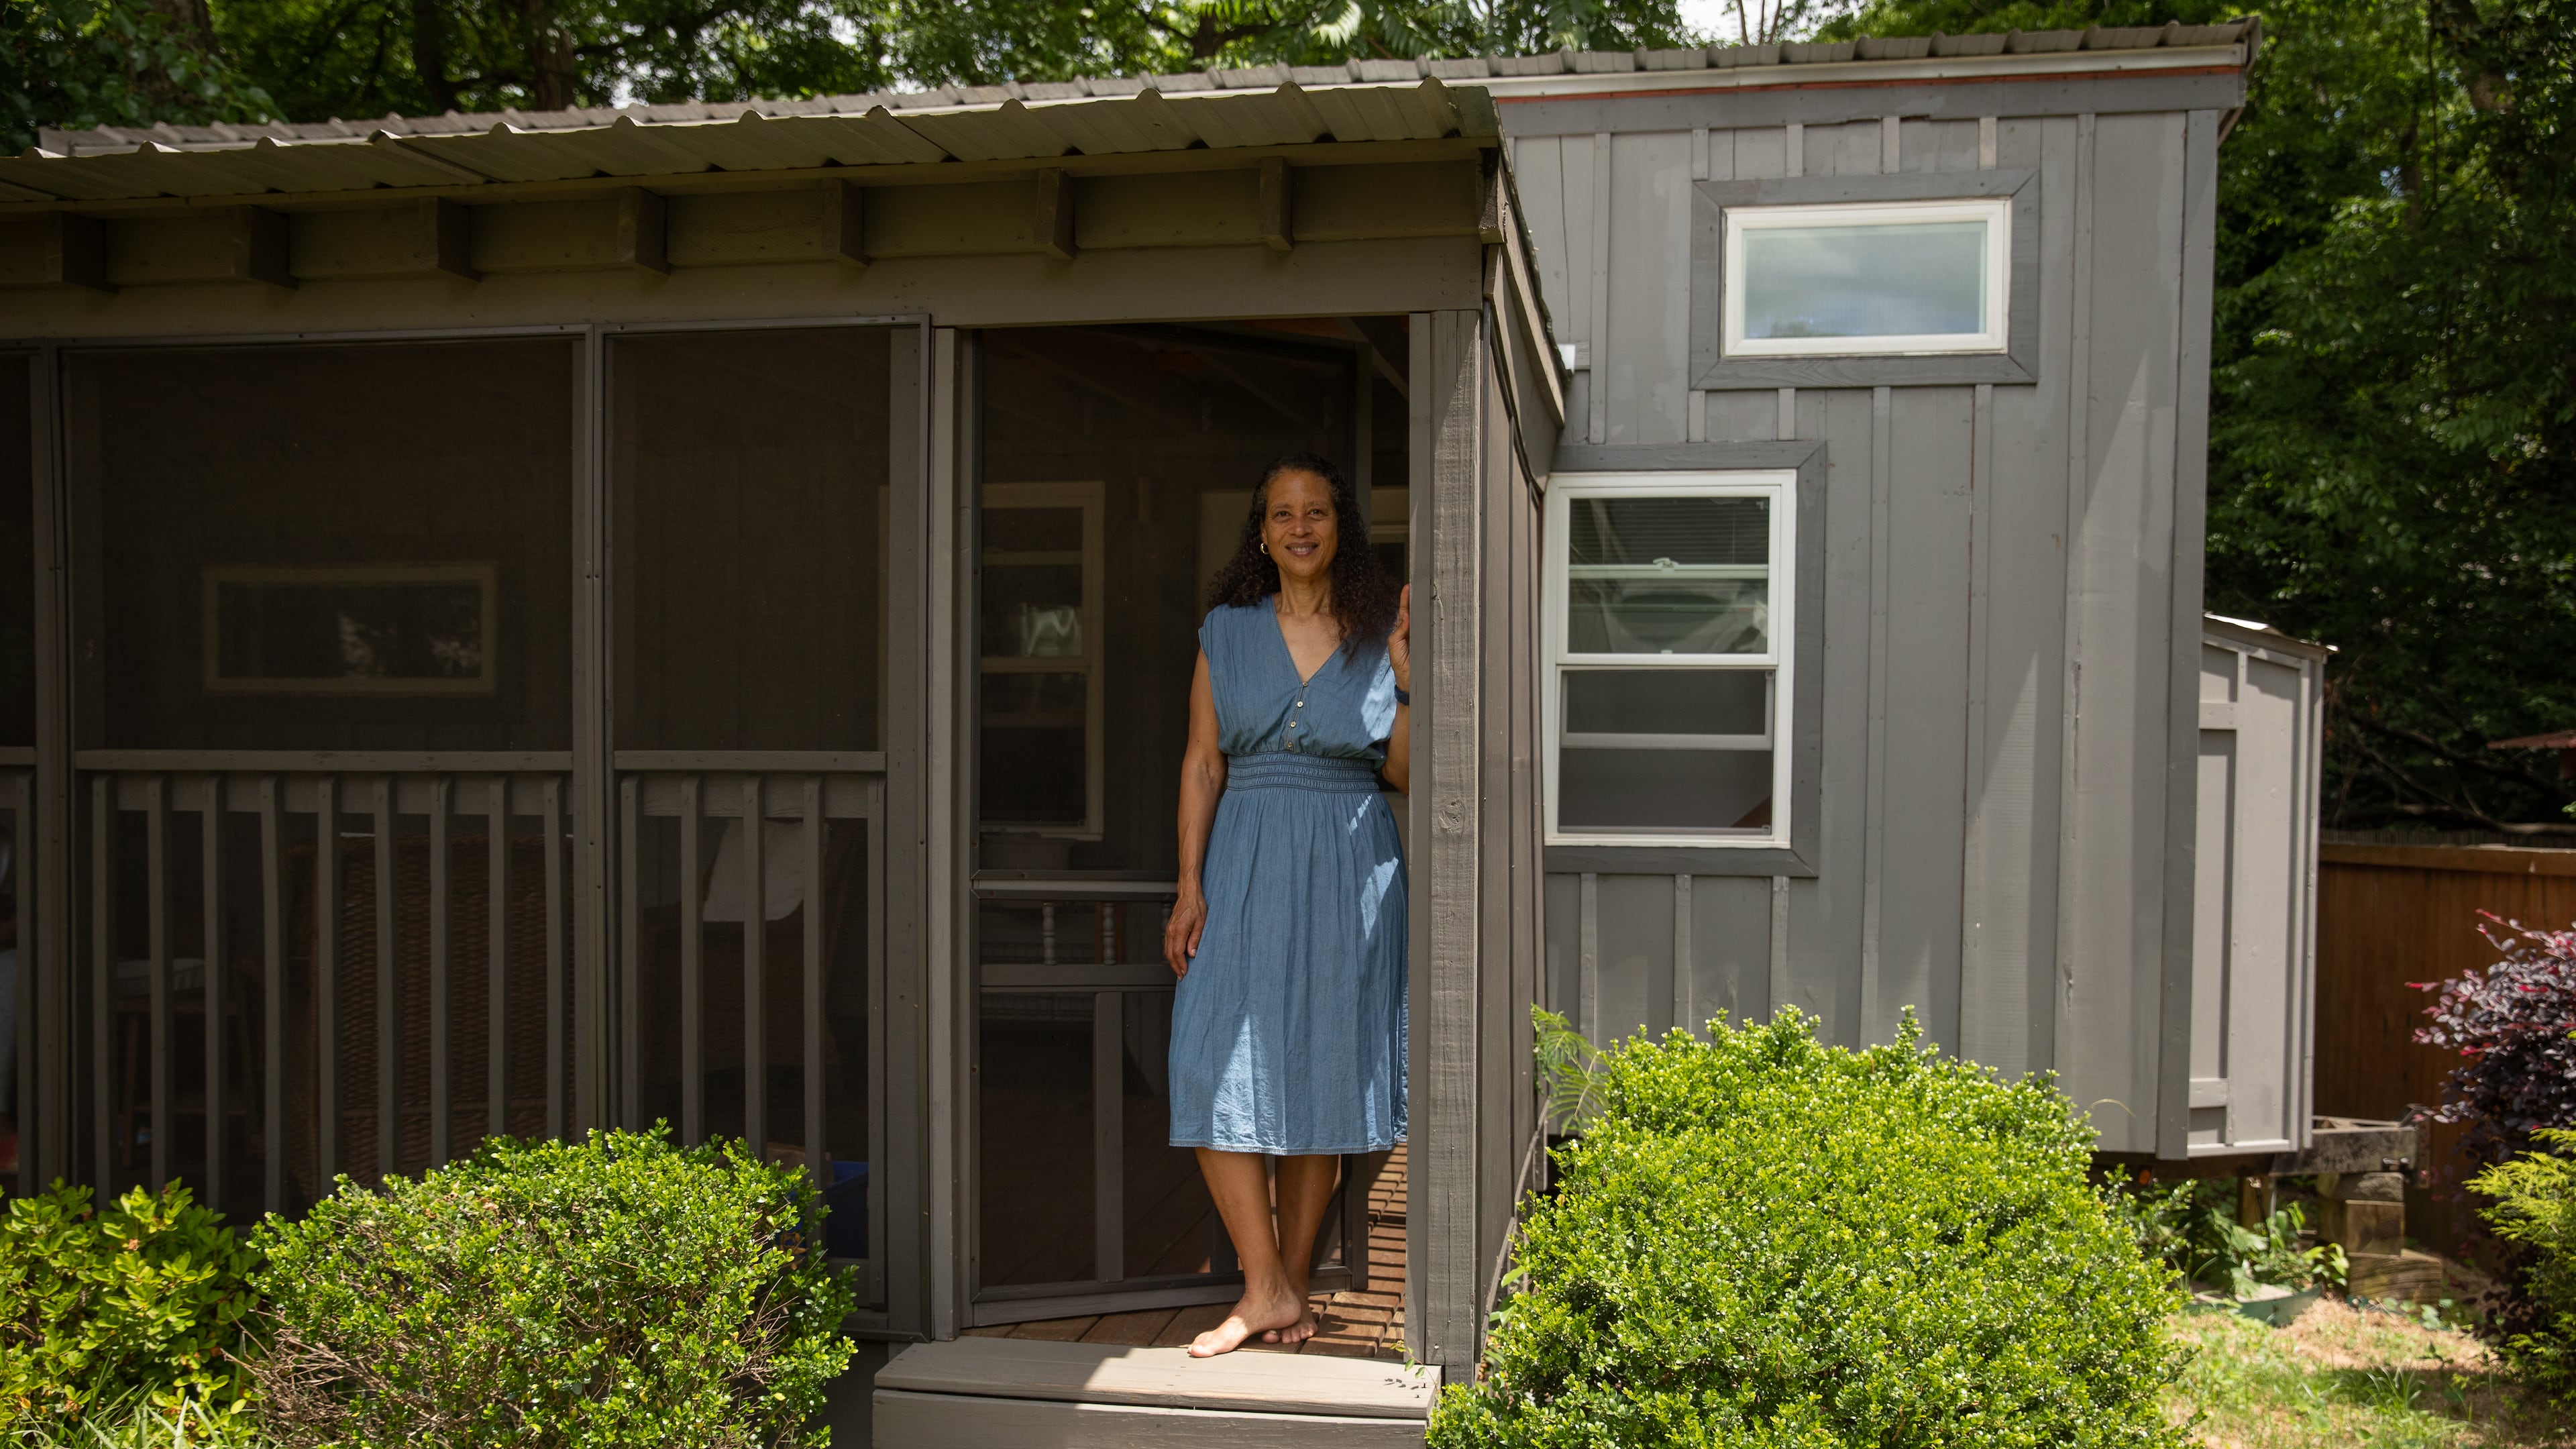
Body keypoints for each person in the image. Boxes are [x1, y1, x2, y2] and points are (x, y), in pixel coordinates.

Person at [1163, 451, 1410, 1358]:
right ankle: (1263, 1283)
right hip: (1246, 856)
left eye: (1318, 512)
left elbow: (1406, 772)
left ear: (1340, 527)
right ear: (1261, 534)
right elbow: (1202, 762)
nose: (1301, 526)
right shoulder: (1226, 632)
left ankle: (1288, 1290)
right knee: (1205, 1059)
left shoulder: (1378, 628)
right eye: (1283, 514)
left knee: (1325, 1067)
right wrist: (1189, 886)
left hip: (1353, 867)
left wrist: (1410, 675)